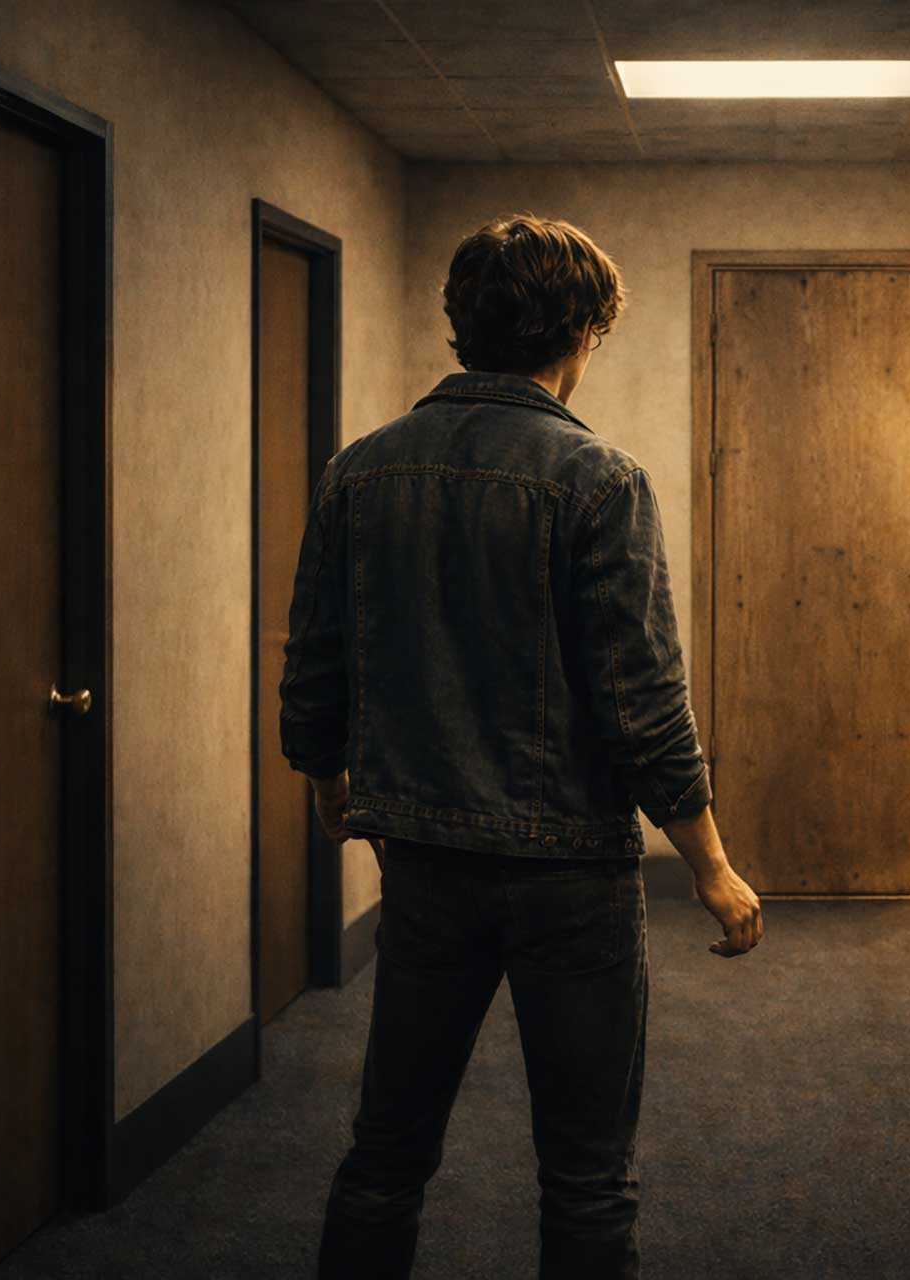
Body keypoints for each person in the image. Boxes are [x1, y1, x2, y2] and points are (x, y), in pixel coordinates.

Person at [280, 212, 763, 1280]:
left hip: (424, 861)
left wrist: (331, 781)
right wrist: (713, 865)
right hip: (569, 877)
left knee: (386, 1152)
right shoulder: (599, 480)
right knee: (587, 1175)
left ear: (463, 326)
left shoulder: (359, 471)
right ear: (580, 332)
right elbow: (643, 704)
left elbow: (314, 668)